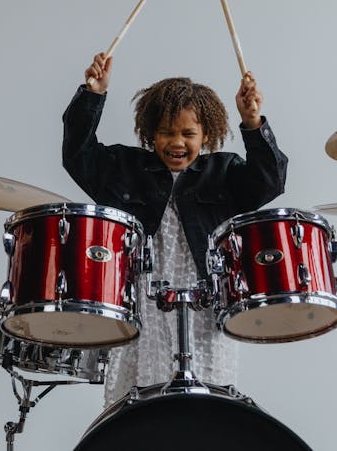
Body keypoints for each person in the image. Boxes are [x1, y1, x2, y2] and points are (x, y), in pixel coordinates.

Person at [62, 52, 287, 407]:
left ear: (206, 134)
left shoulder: (224, 172)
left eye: (188, 133)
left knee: (208, 403)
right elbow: (78, 155)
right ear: (150, 133)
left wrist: (253, 123)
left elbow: (269, 181)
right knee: (139, 404)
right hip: (142, 300)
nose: (176, 142)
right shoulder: (126, 168)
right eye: (166, 132)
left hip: (204, 305)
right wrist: (94, 95)